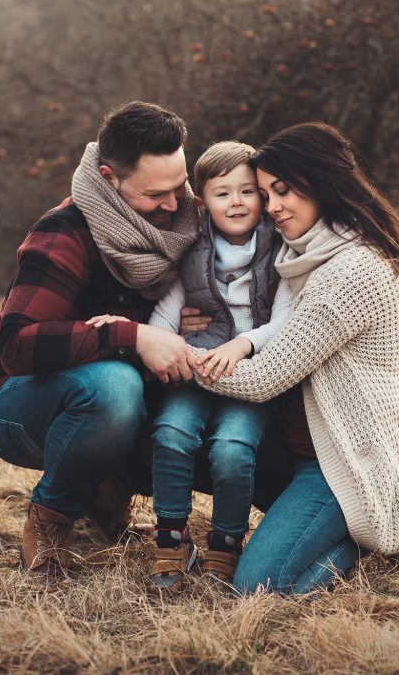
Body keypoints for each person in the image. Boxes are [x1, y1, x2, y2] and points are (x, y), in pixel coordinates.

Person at [0, 101, 214, 578]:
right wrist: (133, 335)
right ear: (109, 177)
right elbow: (18, 346)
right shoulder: (64, 232)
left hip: (134, 404)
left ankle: (109, 490)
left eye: (179, 186)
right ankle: (52, 518)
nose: (174, 204)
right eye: (155, 194)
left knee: (191, 419)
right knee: (113, 386)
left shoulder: (189, 225)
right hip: (18, 406)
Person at [187, 122, 399, 594]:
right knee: (189, 440)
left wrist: (175, 353)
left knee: (258, 586)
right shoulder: (303, 254)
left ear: (321, 183)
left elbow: (262, 378)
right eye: (266, 194)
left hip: (341, 463)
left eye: (283, 191)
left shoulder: (350, 272)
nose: (271, 206)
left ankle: (377, 521)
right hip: (293, 447)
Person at [139, 141, 293, 589]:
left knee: (232, 448)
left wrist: (243, 345)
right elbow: (166, 314)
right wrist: (166, 347)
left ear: (262, 197)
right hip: (197, 370)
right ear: (202, 202)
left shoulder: (280, 249)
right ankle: (171, 538)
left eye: (247, 191)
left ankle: (225, 542)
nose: (236, 202)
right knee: (171, 434)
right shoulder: (192, 252)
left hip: (253, 376)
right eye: (223, 193)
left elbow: (287, 320)